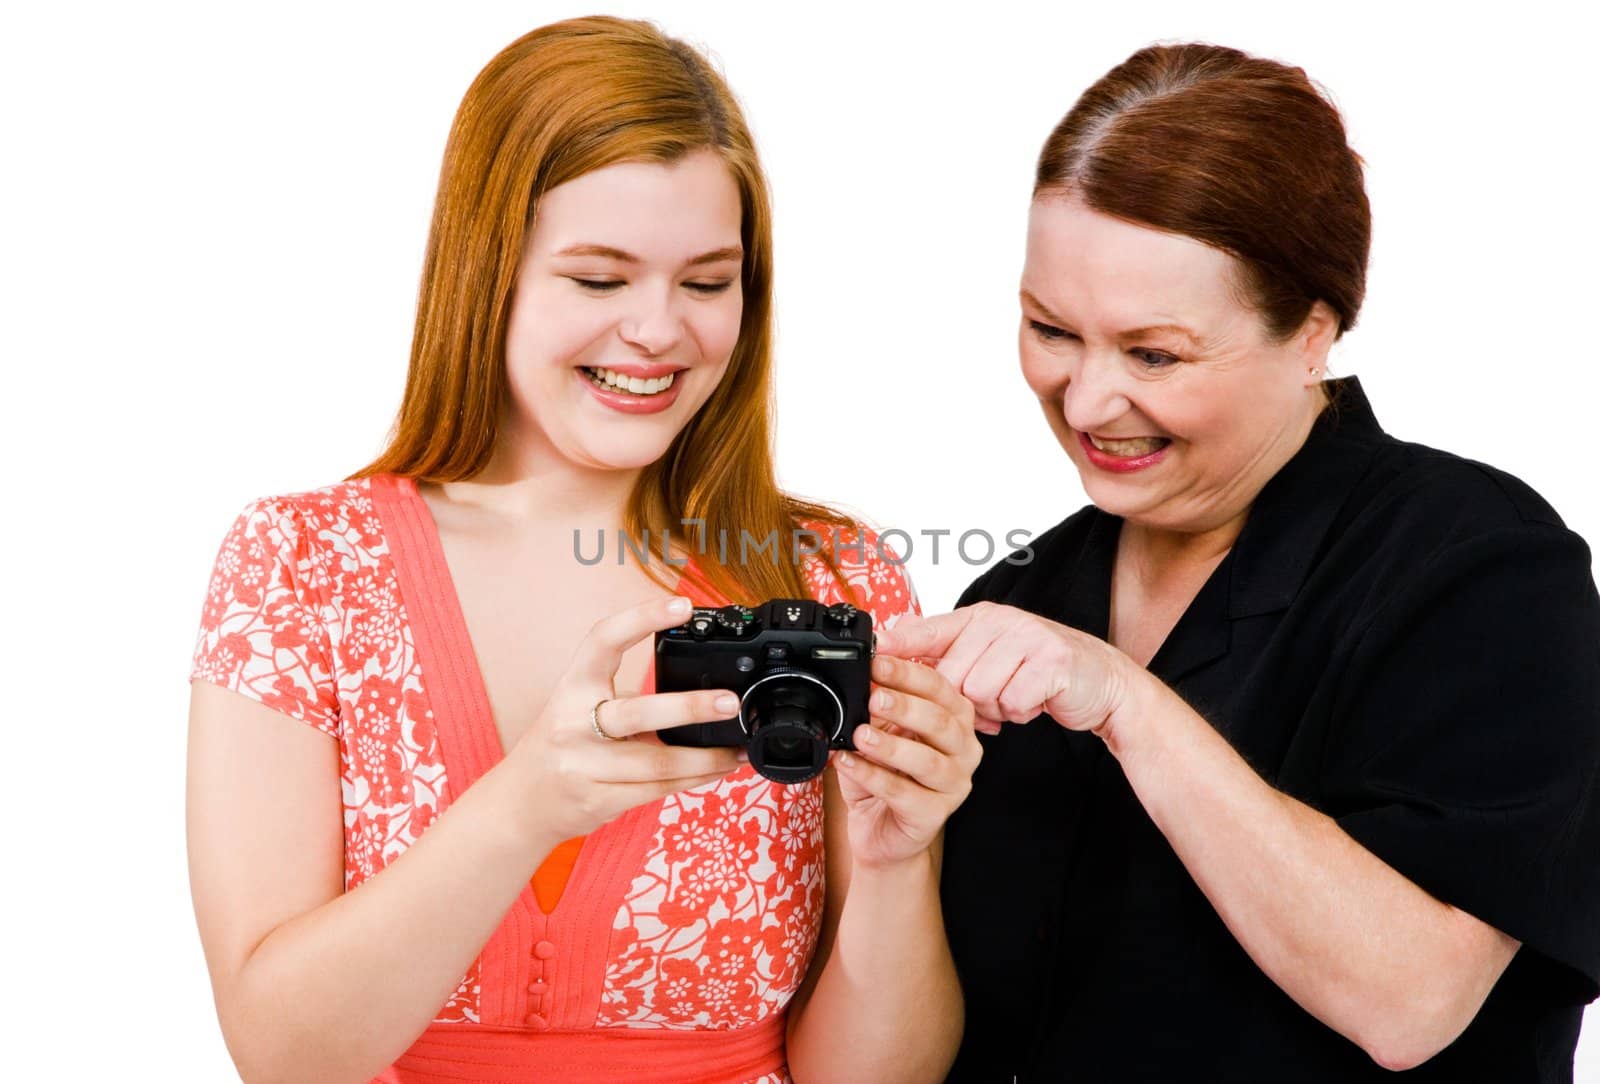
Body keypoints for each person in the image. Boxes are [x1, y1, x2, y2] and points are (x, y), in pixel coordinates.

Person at [186, 18, 977, 1084]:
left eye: (705, 283)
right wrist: (527, 803)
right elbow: (282, 1057)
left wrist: (897, 863)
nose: (659, 331)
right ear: (486, 272)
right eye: (600, 281)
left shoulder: (835, 580)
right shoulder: (299, 566)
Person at [879, 43, 1600, 1082]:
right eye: (1049, 329)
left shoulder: (1479, 566)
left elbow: (1410, 1001)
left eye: (1155, 353)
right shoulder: (1018, 596)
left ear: (1313, 331)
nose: (1084, 402)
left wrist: (1124, 697)